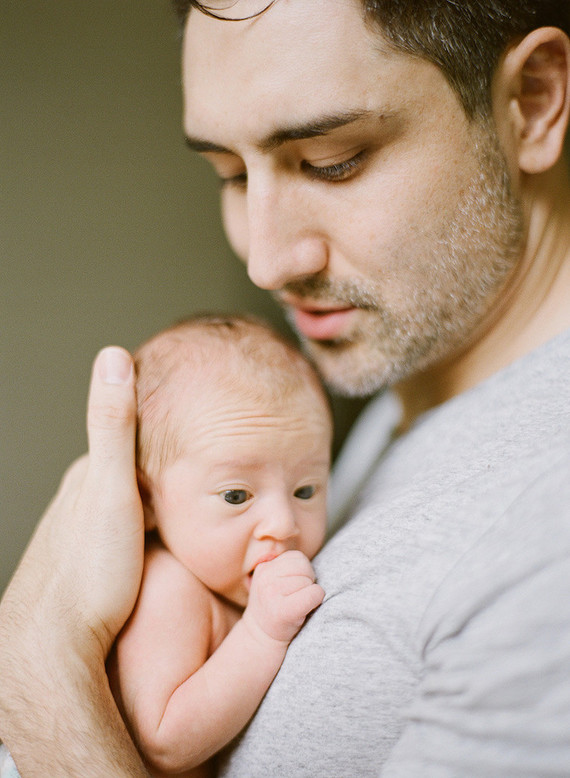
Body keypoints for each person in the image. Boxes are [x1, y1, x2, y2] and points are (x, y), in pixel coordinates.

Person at [1, 0, 569, 775]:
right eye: (230, 173)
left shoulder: (545, 533)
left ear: (533, 101)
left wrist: (37, 660)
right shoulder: (417, 389)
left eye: (332, 159)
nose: (265, 263)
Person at [106, 313, 330, 777]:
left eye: (305, 490)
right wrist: (260, 634)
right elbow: (163, 741)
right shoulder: (168, 585)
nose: (284, 524)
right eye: (236, 496)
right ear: (148, 500)